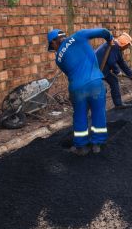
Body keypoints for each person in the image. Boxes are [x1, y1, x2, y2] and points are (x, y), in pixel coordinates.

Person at [47, 27, 111, 156]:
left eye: (52, 46)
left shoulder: (58, 59)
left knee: (80, 115)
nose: (53, 49)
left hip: (77, 88)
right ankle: (97, 144)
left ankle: (81, 147)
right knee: (98, 112)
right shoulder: (79, 35)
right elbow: (104, 32)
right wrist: (110, 39)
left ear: (54, 42)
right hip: (95, 83)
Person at [94, 32, 132, 109]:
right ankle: (97, 109)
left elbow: (121, 62)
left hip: (103, 69)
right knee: (102, 89)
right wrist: (117, 71)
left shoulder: (116, 48)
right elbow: (111, 61)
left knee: (114, 81)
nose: (127, 47)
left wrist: (130, 75)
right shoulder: (114, 46)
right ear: (124, 44)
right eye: (127, 45)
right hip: (95, 70)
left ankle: (118, 104)